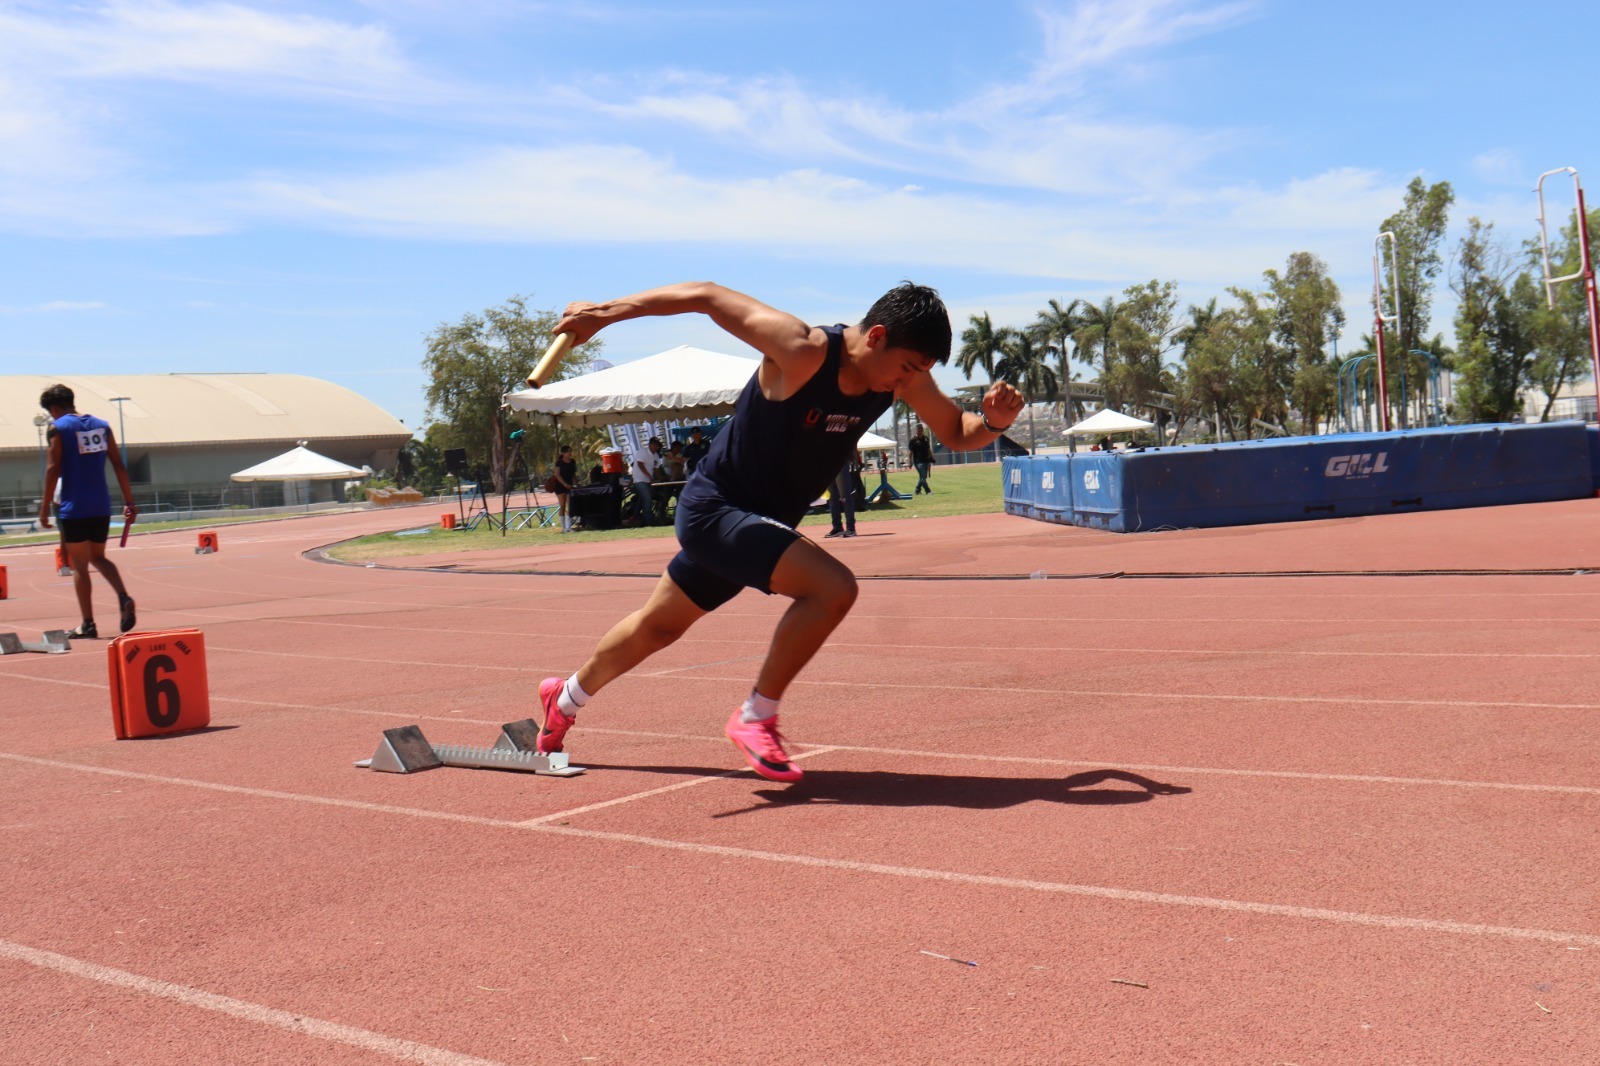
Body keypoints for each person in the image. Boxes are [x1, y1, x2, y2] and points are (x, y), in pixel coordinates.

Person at [534, 281, 1023, 782]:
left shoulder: (899, 379)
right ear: (876, 336)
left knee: (658, 627)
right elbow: (706, 296)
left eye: (918, 374)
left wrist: (992, 420)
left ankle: (564, 697)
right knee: (832, 588)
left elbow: (958, 433)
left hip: (760, 526)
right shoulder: (802, 349)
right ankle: (756, 716)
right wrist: (607, 314)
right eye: (907, 368)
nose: (908, 383)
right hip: (715, 510)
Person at [36, 384, 138, 638]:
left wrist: (45, 506)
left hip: (74, 507)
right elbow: (118, 464)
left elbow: (52, 469)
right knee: (99, 557)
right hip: (101, 505)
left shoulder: (57, 429)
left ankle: (88, 624)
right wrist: (129, 501)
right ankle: (123, 596)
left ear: (54, 409)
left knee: (80, 566)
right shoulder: (102, 426)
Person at [826, 448, 862, 538]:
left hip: (841, 462)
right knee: (832, 498)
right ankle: (837, 528)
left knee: (845, 496)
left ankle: (850, 528)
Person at [631, 436, 662, 525]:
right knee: (647, 498)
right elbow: (640, 464)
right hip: (639, 479)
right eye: (654, 444)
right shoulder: (642, 452)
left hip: (648, 481)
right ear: (650, 444)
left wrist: (659, 478)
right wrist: (649, 476)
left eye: (658, 445)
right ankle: (648, 521)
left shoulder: (656, 456)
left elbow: (656, 469)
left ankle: (635, 517)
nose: (656, 447)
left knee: (642, 499)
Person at [551, 445, 578, 533]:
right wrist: (564, 484)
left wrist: (576, 483)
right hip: (560, 486)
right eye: (568, 452)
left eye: (570, 451)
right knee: (562, 505)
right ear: (563, 453)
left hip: (570, 486)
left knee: (570, 506)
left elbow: (573, 474)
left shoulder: (572, 462)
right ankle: (563, 527)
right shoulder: (559, 463)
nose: (570, 453)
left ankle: (568, 527)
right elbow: (557, 474)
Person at [909, 424, 934, 494]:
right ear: (916, 430)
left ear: (922, 430)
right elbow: (910, 452)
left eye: (921, 429)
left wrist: (931, 457)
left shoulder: (926, 438)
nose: (920, 431)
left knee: (923, 477)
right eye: (918, 429)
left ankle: (917, 489)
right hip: (918, 462)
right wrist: (910, 462)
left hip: (926, 460)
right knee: (923, 476)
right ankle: (928, 490)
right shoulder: (913, 440)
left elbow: (928, 449)